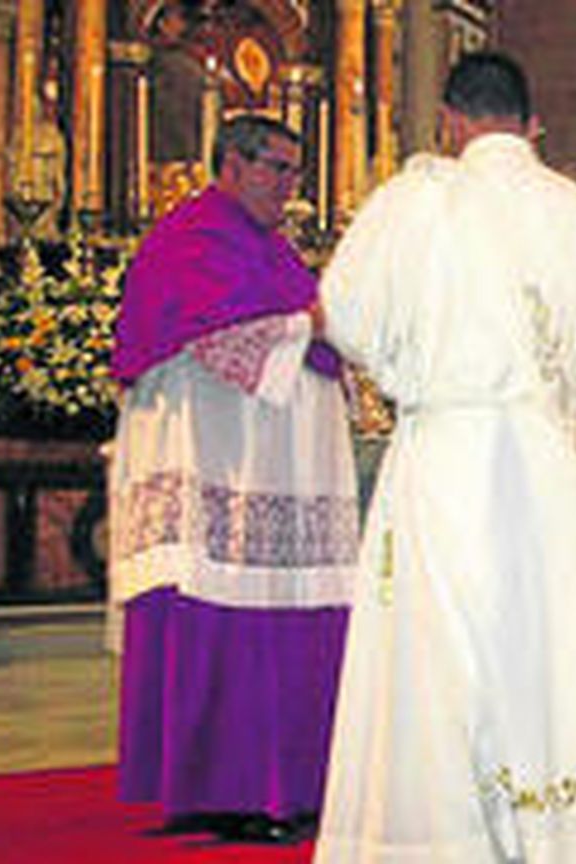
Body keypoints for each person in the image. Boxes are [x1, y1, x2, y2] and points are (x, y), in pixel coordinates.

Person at [312, 52, 576, 861]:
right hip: (550, 460)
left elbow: (345, 313)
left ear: (450, 121)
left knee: (435, 652)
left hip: (446, 458)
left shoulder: (416, 200)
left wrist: (403, 370)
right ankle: (552, 837)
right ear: (531, 124)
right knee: (547, 648)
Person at [108, 114, 359, 843]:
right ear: (231, 164)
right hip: (218, 462)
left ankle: (285, 785)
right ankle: (235, 790)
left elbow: (294, 325)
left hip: (271, 461)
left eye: (295, 171)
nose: (291, 186)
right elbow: (219, 335)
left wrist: (318, 326)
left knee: (279, 618)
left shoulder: (270, 245)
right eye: (278, 168)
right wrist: (315, 324)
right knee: (225, 616)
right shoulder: (192, 237)